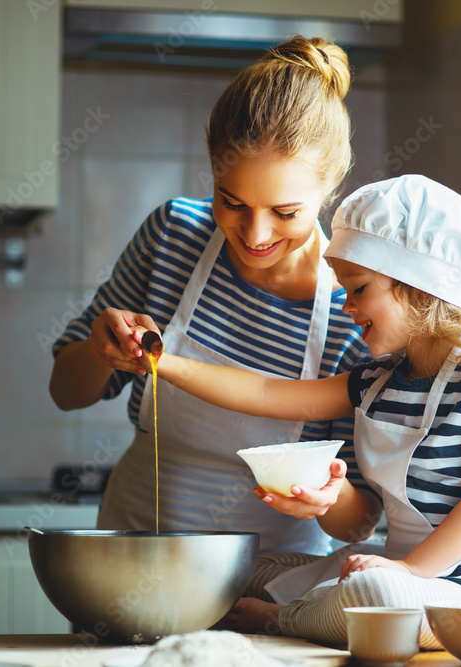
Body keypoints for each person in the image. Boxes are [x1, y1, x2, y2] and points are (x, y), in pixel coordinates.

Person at [148, 175, 461, 648]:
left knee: (377, 591)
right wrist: (161, 362)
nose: (347, 306)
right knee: (252, 565)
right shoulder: (376, 380)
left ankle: (281, 618)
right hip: (397, 572)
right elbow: (269, 392)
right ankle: (312, 606)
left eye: (358, 289)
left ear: (415, 284)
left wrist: (410, 570)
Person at [48, 36, 375, 564]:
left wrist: (327, 498)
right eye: (233, 201)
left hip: (267, 589)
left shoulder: (353, 306)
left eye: (286, 213)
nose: (254, 233)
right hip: (132, 558)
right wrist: (96, 351)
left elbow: (360, 519)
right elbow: (66, 392)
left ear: (330, 186)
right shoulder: (174, 236)